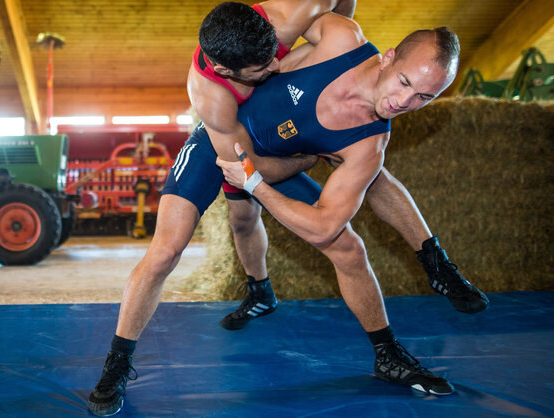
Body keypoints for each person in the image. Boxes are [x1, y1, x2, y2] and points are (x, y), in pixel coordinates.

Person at [87, 4, 464, 416]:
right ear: (227, 69)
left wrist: (295, 162)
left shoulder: (306, 30)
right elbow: (250, 166)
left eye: (424, 96)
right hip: (223, 147)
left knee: (345, 247)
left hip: (278, 153)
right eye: (259, 68)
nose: (271, 67)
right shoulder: (210, 95)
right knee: (166, 251)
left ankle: (385, 350)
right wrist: (305, 160)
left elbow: (324, 222)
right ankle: (116, 364)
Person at [188, 1, 486, 332]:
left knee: (369, 180)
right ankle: (260, 291)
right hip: (238, 136)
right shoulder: (338, 37)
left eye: (424, 97)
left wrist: (289, 166)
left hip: (285, 154)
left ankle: (435, 262)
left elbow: (303, 207)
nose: (405, 102)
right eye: (404, 82)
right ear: (388, 59)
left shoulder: (371, 141)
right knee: (241, 221)